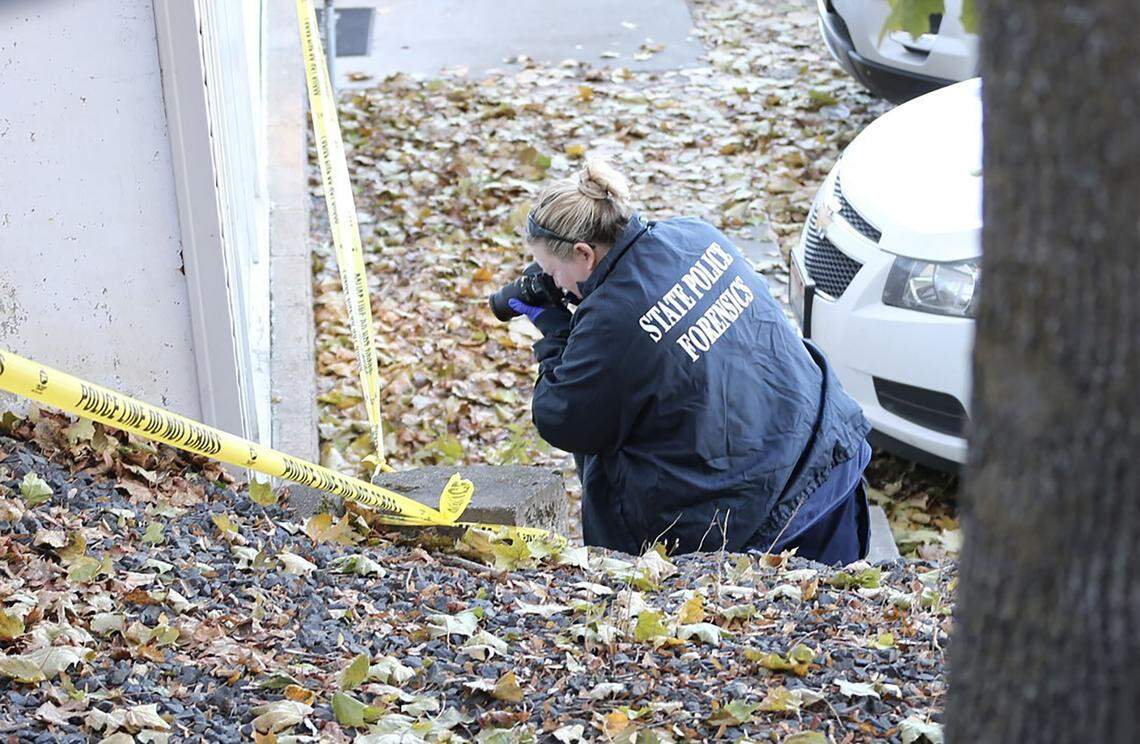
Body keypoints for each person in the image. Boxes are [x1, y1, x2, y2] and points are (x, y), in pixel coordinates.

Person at [503, 159, 872, 563]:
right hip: (830, 456)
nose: (554, 284)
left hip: (766, 526)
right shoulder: (693, 234)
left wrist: (556, 335)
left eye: (553, 272)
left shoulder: (611, 317)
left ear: (584, 254)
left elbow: (562, 418)